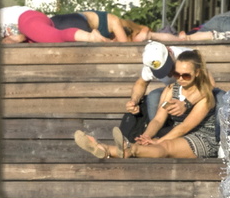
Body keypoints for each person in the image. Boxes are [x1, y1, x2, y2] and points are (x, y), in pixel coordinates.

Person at [75, 49, 217, 159]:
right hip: (178, 134)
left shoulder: (203, 95)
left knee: (164, 146)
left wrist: (158, 141)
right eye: (176, 74)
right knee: (152, 143)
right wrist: (147, 136)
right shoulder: (171, 90)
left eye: (186, 75)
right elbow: (158, 119)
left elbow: (185, 127)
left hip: (203, 137)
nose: (180, 79)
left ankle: (115, 149)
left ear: (197, 73)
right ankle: (105, 149)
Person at [0, 6, 108, 43]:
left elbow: (17, 36)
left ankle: (90, 36)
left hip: (26, 19)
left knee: (55, 37)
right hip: (34, 19)